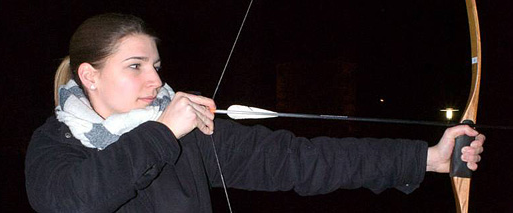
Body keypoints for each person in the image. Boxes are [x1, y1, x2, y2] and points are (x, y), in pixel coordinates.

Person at [25, 13, 485, 212]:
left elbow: (300, 161)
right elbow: (76, 203)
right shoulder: (56, 144)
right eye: (135, 67)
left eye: (157, 66)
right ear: (89, 75)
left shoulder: (185, 130)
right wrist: (164, 133)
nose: (157, 82)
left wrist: (427, 158)